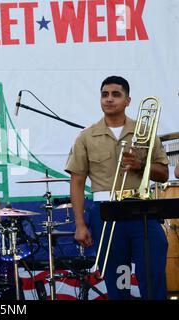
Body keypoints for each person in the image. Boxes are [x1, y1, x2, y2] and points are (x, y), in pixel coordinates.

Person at [65, 76, 169, 299]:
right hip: (106, 213)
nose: (109, 99)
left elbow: (164, 174)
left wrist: (141, 165)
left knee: (152, 278)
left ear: (128, 100)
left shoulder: (145, 131)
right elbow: (77, 181)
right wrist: (80, 224)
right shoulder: (86, 136)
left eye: (116, 94)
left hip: (142, 210)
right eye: (105, 95)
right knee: (117, 281)